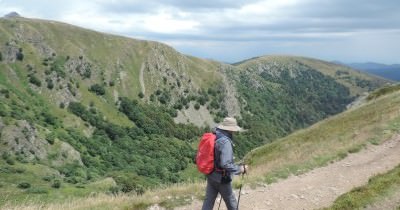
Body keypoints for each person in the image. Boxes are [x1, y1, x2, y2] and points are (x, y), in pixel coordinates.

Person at [202, 117, 248, 210]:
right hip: (221, 178)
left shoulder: (215, 134)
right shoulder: (225, 142)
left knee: (208, 201)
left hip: (211, 174)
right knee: (231, 201)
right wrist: (240, 169)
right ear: (230, 129)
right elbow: (225, 164)